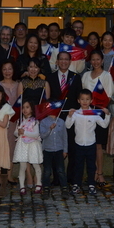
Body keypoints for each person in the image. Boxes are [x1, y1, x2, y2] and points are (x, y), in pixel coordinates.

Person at [46, 51, 83, 185]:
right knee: (56, 148)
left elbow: (79, 98)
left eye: (66, 59)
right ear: (57, 61)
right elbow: (48, 99)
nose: (63, 61)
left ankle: (71, 178)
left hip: (71, 117)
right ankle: (57, 178)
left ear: (70, 61)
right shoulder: (50, 78)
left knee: (72, 148)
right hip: (55, 117)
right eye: (61, 59)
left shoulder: (76, 77)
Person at [66, 89, 110, 196]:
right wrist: (69, 116)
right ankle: (76, 185)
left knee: (91, 166)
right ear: (78, 100)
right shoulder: (76, 113)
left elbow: (104, 125)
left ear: (91, 101)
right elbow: (68, 125)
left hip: (91, 144)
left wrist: (107, 115)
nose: (85, 101)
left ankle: (91, 185)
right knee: (78, 166)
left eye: (87, 99)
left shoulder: (94, 114)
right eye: (82, 99)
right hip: (79, 144)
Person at [81, 50, 113, 187]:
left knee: (98, 145)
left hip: (99, 112)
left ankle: (99, 173)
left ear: (102, 60)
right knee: (89, 144)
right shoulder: (85, 75)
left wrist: (97, 107)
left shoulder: (106, 75)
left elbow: (109, 96)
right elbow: (82, 94)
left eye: (98, 59)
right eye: (93, 59)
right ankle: (91, 172)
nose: (95, 62)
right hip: (86, 113)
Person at [0, 59, 20, 184]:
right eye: (4, 69)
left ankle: (9, 175)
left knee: (11, 147)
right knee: (0, 147)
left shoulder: (18, 85)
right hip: (1, 121)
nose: (7, 71)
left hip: (14, 121)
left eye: (10, 69)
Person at [13, 100, 44, 196]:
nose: (25, 110)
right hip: (22, 145)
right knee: (22, 166)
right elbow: (15, 132)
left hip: (33, 145)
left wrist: (25, 132)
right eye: (23, 108)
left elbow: (36, 134)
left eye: (27, 107)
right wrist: (18, 132)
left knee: (35, 164)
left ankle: (39, 183)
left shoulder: (35, 121)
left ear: (31, 109)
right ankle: (22, 186)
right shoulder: (20, 121)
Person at [40, 109, 69, 199]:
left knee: (60, 170)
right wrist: (50, 129)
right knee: (47, 171)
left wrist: (65, 150)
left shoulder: (61, 121)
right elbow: (42, 135)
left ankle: (64, 188)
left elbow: (64, 137)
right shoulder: (43, 122)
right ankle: (46, 189)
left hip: (59, 150)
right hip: (47, 150)